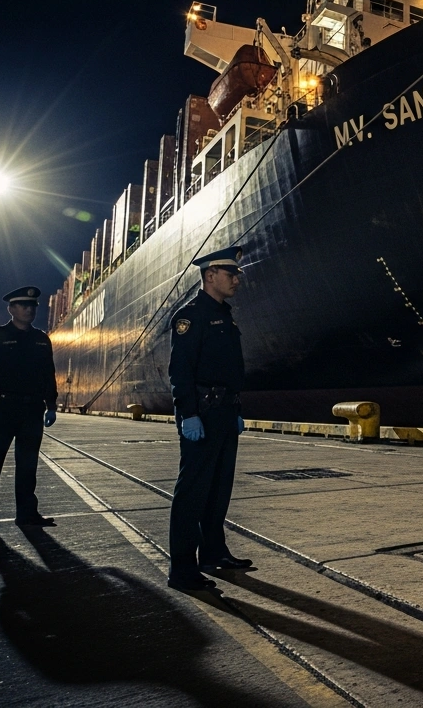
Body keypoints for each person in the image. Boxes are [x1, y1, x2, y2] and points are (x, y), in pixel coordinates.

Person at [166, 246, 252, 592]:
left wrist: (237, 410)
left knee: (218, 491)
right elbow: (180, 371)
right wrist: (188, 414)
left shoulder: (225, 315)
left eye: (237, 275)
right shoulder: (191, 316)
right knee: (192, 493)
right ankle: (183, 570)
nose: (236, 280)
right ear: (210, 275)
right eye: (230, 274)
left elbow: (229, 370)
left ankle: (214, 553)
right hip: (201, 413)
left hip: (225, 412)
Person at [0, 287, 59, 535]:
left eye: (32, 306)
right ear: (11, 309)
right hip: (2, 409)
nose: (29, 309)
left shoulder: (42, 339)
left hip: (32, 409)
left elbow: (48, 376)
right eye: (23, 305)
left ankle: (27, 515)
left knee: (28, 465)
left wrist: (51, 405)